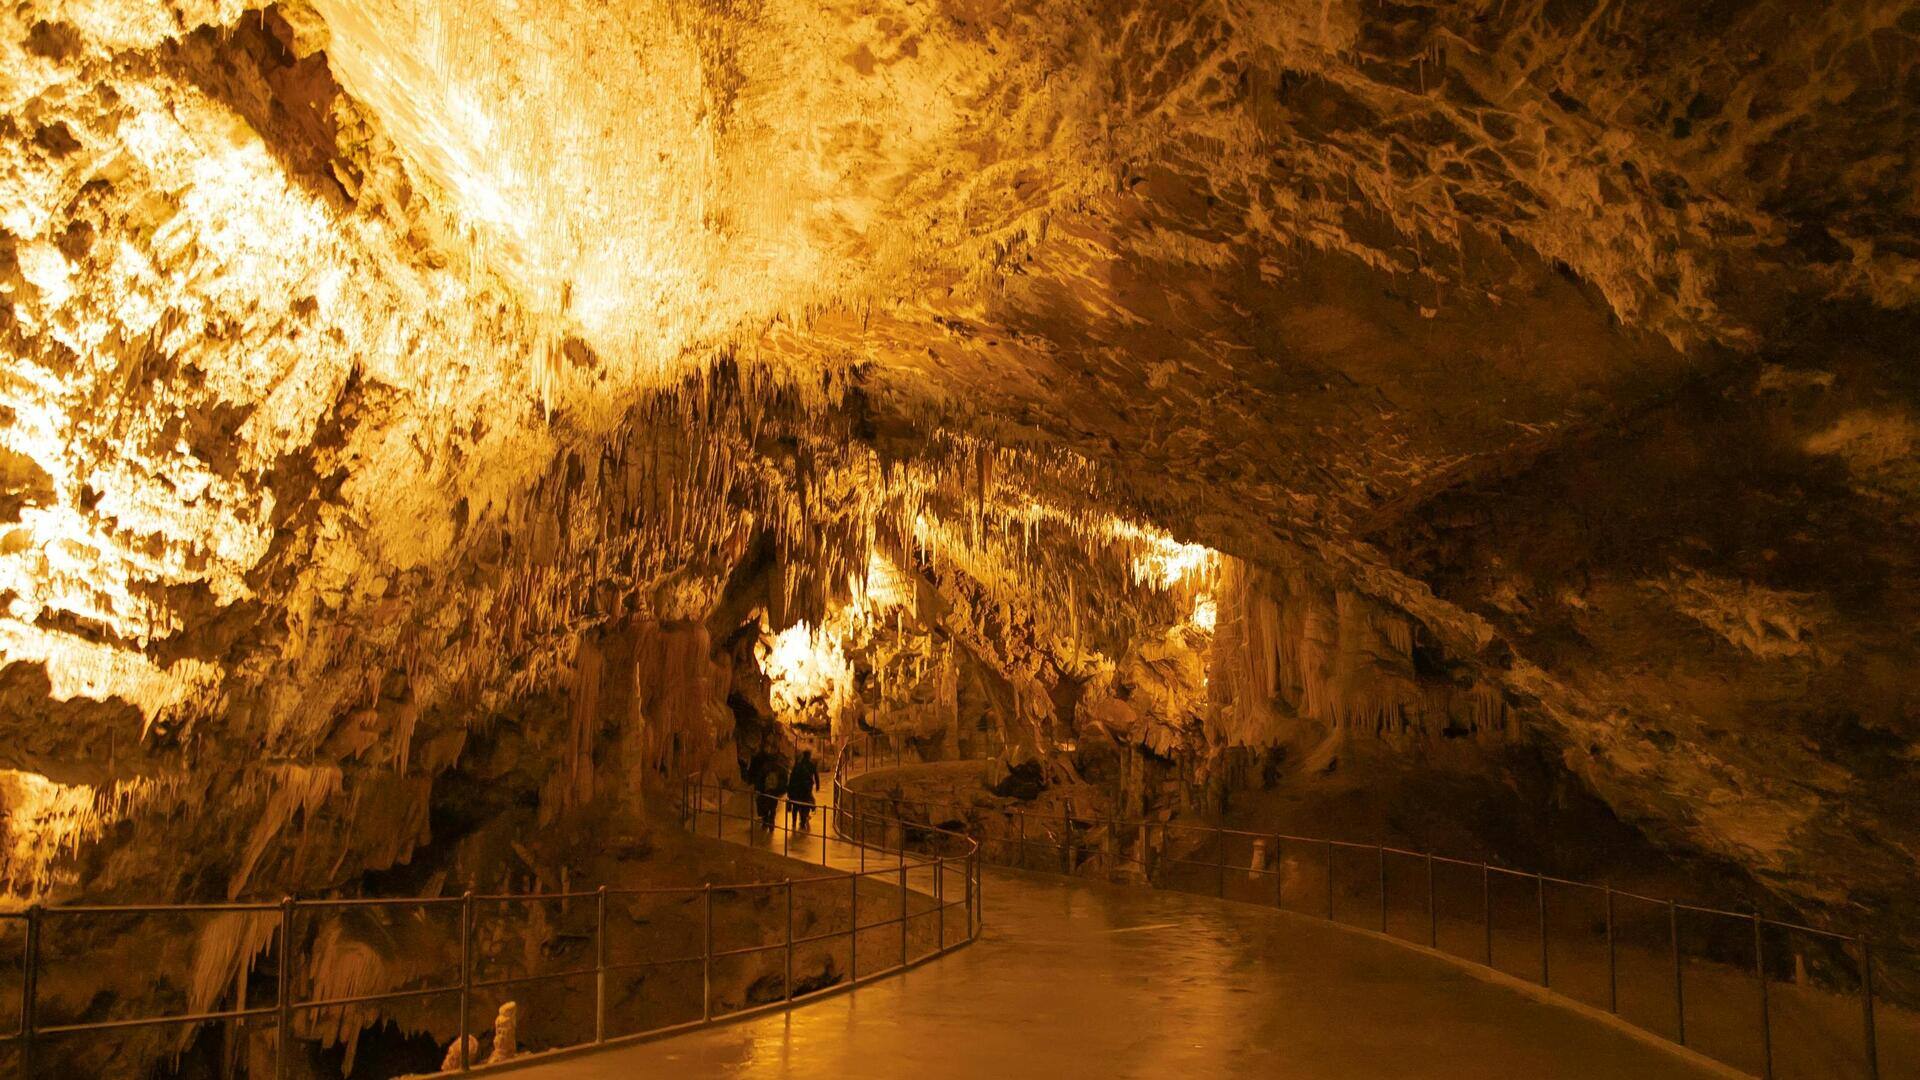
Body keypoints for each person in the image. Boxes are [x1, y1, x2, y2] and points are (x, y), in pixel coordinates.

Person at [786, 749, 820, 831]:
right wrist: (817, 785)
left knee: (795, 805)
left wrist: (789, 789)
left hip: (797, 788)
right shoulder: (811, 765)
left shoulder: (798, 765)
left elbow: (792, 777)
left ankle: (794, 822)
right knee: (805, 805)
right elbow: (816, 775)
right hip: (807, 788)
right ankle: (803, 821)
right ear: (809, 756)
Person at [754, 753, 787, 834]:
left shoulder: (765, 768)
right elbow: (784, 780)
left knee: (765, 807)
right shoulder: (780, 768)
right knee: (772, 809)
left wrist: (758, 789)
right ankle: (771, 824)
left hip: (765, 791)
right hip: (774, 792)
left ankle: (765, 823)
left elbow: (759, 779)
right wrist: (781, 791)